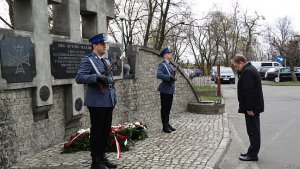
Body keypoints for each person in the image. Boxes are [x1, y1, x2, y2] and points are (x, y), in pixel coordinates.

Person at [75, 33, 118, 169]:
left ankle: (102, 157)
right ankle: (95, 161)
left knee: (105, 131)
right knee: (97, 131)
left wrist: (113, 94)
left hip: (108, 99)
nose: (105, 46)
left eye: (105, 44)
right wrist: (96, 77)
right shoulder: (88, 60)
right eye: (102, 44)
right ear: (95, 45)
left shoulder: (105, 61)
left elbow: (110, 80)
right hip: (97, 101)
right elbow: (79, 77)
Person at [231, 54, 264, 161]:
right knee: (253, 130)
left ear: (241, 62)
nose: (236, 68)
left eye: (236, 66)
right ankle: (251, 152)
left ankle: (252, 155)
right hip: (253, 107)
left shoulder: (248, 71)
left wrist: (249, 108)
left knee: (253, 131)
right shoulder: (249, 69)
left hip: (252, 108)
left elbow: (249, 92)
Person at [156, 47, 177, 133]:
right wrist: (169, 77)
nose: (171, 54)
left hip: (170, 89)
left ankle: (167, 123)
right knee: (164, 108)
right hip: (165, 89)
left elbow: (172, 76)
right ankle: (164, 126)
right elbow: (159, 75)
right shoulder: (162, 65)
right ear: (165, 55)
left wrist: (173, 76)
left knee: (168, 108)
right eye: (169, 53)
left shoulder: (170, 65)